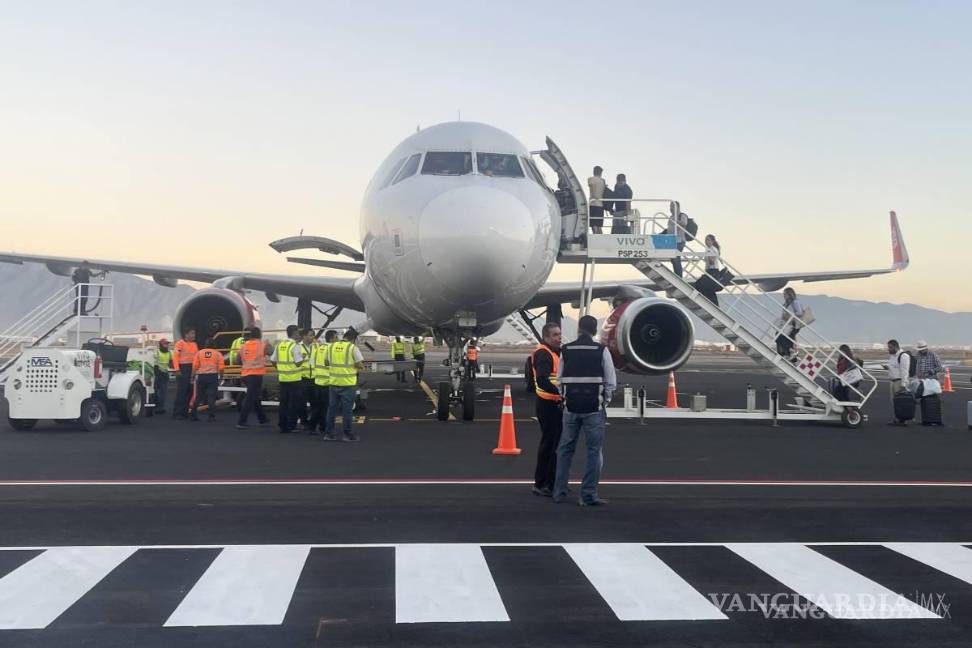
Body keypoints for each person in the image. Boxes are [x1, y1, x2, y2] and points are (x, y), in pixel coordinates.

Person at [552, 315, 616, 506]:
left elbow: (559, 379)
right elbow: (610, 381)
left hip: (571, 407)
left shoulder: (566, 350)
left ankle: (559, 491)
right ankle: (588, 495)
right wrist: (604, 401)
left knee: (565, 450)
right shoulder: (601, 350)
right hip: (593, 409)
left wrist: (565, 398)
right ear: (595, 330)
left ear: (579, 329)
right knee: (594, 452)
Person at [531, 322, 563, 497]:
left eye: (559, 334)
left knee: (552, 445)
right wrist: (561, 392)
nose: (559, 338)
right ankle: (543, 483)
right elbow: (543, 380)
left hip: (552, 403)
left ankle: (550, 481)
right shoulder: (544, 354)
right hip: (548, 405)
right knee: (550, 445)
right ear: (546, 337)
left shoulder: (553, 352)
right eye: (555, 335)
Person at [324, 329, 366, 442]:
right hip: (348, 383)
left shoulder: (331, 347)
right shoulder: (352, 348)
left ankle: (328, 434)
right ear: (354, 339)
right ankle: (347, 434)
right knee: (347, 410)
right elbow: (359, 364)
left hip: (333, 382)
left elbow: (326, 362)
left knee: (331, 409)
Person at [271, 325, 305, 433]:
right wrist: (303, 358)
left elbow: (273, 360)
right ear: (294, 333)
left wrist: (280, 368)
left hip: (283, 378)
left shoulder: (280, 345)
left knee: (284, 403)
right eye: (298, 332)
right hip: (294, 379)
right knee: (293, 404)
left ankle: (282, 425)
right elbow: (298, 362)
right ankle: (291, 426)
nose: (299, 334)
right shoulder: (294, 346)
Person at [236, 327, 270, 429]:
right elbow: (272, 353)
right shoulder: (262, 345)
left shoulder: (243, 346)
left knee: (255, 396)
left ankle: (262, 418)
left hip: (245, 374)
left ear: (250, 335)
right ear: (259, 335)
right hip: (256, 375)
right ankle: (241, 421)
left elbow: (237, 360)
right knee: (250, 398)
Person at [309, 329, 338, 434]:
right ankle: (325, 428)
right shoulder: (332, 349)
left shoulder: (318, 348)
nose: (338, 339)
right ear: (331, 338)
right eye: (336, 337)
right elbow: (333, 365)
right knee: (327, 408)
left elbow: (312, 363)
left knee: (317, 407)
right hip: (328, 382)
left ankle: (312, 427)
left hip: (317, 381)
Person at [190, 337, 224, 422]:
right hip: (212, 376)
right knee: (211, 396)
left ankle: (193, 415)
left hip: (201, 376)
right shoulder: (217, 354)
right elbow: (221, 368)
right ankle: (211, 416)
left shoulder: (199, 353)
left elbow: (195, 366)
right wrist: (221, 377)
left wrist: (192, 376)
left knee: (198, 396)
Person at [172, 329, 198, 419]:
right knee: (182, 391)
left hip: (192, 369)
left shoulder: (194, 345)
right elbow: (175, 356)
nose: (194, 335)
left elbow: (197, 357)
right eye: (192, 333)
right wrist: (177, 369)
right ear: (186, 334)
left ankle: (185, 412)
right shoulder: (180, 343)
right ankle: (177, 413)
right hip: (183, 369)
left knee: (190, 391)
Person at [775, 287, 806, 360]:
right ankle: (788, 353)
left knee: (782, 337)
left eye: (785, 294)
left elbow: (800, 313)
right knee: (782, 337)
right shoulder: (786, 303)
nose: (784, 295)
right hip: (787, 324)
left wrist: (791, 315)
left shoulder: (795, 302)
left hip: (794, 324)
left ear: (789, 294)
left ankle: (789, 352)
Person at [692, 234, 722, 305]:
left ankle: (709, 303)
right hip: (709, 271)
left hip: (713, 271)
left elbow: (712, 261)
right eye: (705, 240)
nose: (706, 241)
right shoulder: (708, 249)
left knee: (699, 284)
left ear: (712, 241)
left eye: (708, 240)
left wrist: (708, 255)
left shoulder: (713, 249)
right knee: (709, 289)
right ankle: (714, 304)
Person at [886, 339, 911, 424]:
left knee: (901, 401)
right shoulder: (893, 356)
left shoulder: (903, 356)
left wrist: (903, 385)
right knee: (894, 401)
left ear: (895, 347)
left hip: (899, 381)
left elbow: (905, 371)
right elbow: (895, 367)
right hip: (892, 381)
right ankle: (897, 418)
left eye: (890, 347)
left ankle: (903, 419)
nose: (888, 349)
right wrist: (888, 368)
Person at [298, 329, 317, 428]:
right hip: (303, 378)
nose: (312, 337)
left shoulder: (316, 347)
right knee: (302, 402)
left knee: (315, 402)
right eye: (310, 335)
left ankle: (313, 422)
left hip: (314, 378)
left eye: (313, 335)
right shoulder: (298, 347)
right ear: (304, 336)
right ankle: (304, 421)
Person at [667, 210, 689, 277]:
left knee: (676, 258)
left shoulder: (682, 215)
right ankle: (677, 275)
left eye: (672, 207)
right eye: (670, 207)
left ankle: (679, 277)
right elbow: (669, 228)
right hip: (672, 240)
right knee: (673, 259)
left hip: (680, 240)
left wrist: (676, 221)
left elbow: (684, 224)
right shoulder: (671, 217)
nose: (670, 209)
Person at [154, 339, 172, 415]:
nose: (167, 345)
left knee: (163, 392)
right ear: (161, 344)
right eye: (165, 344)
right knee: (156, 391)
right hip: (157, 372)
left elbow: (171, 363)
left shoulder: (169, 353)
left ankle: (160, 407)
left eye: (167, 344)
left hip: (165, 373)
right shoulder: (157, 352)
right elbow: (154, 362)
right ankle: (156, 406)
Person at [587, 166, 606, 234]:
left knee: (593, 224)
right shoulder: (603, 181)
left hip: (593, 203)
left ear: (594, 171)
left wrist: (594, 196)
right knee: (599, 225)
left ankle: (595, 236)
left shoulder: (591, 179)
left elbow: (592, 189)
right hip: (600, 204)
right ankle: (601, 238)